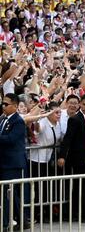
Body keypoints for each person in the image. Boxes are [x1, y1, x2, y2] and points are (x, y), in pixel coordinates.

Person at [58, 94, 85, 221]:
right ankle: (84, 215)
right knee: (81, 187)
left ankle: (81, 213)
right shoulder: (75, 119)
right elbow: (67, 139)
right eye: (84, 104)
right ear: (80, 104)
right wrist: (62, 156)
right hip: (78, 159)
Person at [0, 93, 29, 231]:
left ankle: (6, 223)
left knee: (8, 193)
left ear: (15, 106)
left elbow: (11, 139)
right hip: (4, 162)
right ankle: (22, 220)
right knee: (11, 194)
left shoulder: (18, 121)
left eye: (6, 104)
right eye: (2, 104)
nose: (3, 106)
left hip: (12, 164)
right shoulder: (2, 119)